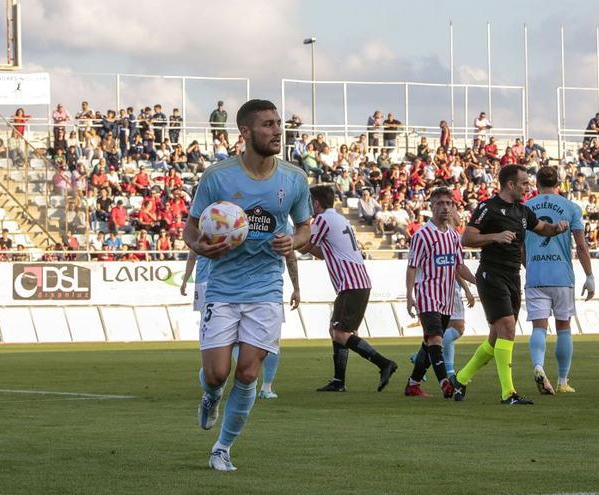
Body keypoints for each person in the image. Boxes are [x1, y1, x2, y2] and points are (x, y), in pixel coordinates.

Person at [185, 99, 311, 472]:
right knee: (217, 374)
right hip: (223, 286)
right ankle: (210, 396)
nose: (277, 131)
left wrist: (296, 241)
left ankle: (222, 448)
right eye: (268, 125)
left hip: (266, 287)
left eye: (278, 124)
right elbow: (191, 228)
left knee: (248, 373)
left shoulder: (293, 179)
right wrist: (200, 245)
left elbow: (304, 227)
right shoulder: (218, 177)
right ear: (245, 132)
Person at [449, 164, 569, 405]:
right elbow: (467, 238)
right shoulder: (488, 208)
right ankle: (508, 393)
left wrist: (556, 229)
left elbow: (542, 228)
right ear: (511, 184)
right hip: (491, 275)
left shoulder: (523, 212)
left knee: (496, 337)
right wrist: (494, 236)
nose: (528, 187)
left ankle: (460, 379)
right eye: (524, 183)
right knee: (508, 327)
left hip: (513, 276)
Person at [300, 186, 398, 393]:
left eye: (310, 201)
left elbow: (306, 245)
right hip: (355, 282)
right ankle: (338, 381)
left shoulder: (322, 220)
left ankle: (384, 363)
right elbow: (324, 252)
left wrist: (286, 242)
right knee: (335, 330)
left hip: (351, 283)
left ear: (316, 203)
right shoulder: (338, 219)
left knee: (341, 333)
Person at [181, 248, 300, 400]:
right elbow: (193, 251)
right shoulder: (212, 227)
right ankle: (224, 382)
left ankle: (259, 385)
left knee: (260, 343)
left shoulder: (276, 227)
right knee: (225, 341)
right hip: (221, 285)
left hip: (262, 288)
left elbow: (294, 246)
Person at [524, 166, 595, 395]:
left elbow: (519, 247)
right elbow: (582, 246)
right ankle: (562, 381)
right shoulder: (571, 207)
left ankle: (538, 366)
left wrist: (529, 265)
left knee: (539, 327)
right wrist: (589, 275)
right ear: (559, 182)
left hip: (536, 275)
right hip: (562, 275)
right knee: (564, 327)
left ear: (536, 183)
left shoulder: (525, 207)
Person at [404, 187, 476, 398]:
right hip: (427, 295)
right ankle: (446, 383)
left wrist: (477, 281)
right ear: (432, 206)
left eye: (449, 203)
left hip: (446, 299)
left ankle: (413, 384)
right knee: (435, 339)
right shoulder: (422, 235)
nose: (445, 207)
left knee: (429, 343)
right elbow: (411, 266)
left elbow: (458, 266)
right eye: (440, 203)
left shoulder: (454, 236)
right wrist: (409, 296)